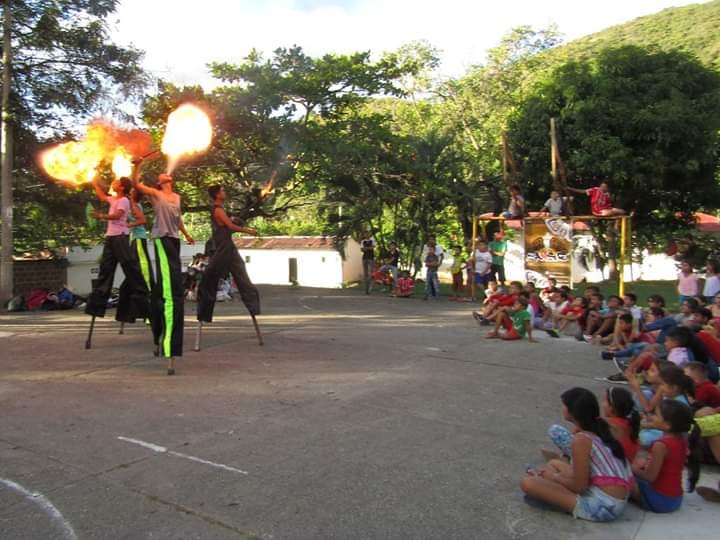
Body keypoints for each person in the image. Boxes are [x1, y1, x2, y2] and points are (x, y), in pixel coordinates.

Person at [521, 388, 632, 522]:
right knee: (553, 464)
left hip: (605, 506)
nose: (562, 408)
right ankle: (555, 492)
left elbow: (580, 487)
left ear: (572, 412)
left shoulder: (581, 440)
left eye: (564, 405)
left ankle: (562, 500)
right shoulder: (599, 429)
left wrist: (554, 477)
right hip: (615, 498)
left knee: (528, 483)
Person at [133, 160, 195, 375]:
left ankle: (158, 333)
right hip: (161, 239)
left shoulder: (177, 197)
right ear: (160, 182)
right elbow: (136, 183)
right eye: (161, 175)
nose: (164, 174)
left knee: (168, 287)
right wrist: (137, 166)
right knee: (171, 292)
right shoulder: (155, 194)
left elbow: (178, 219)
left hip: (174, 240)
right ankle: (168, 345)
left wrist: (186, 234)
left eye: (165, 173)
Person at [84, 174, 149, 326]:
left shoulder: (124, 201)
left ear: (122, 187)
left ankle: (144, 302)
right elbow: (101, 195)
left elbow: (117, 216)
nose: (113, 183)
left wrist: (100, 216)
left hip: (120, 238)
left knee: (131, 269)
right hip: (110, 239)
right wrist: (94, 181)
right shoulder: (114, 199)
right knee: (105, 271)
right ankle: (96, 307)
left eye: (116, 182)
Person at [197, 184, 260, 329]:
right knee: (209, 277)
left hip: (227, 247)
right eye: (222, 190)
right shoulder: (218, 210)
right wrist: (248, 231)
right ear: (217, 194)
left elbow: (228, 226)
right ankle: (204, 312)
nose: (225, 192)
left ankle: (253, 305)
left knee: (241, 275)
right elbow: (230, 227)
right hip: (223, 248)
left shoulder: (220, 210)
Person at [631, 400, 701, 513]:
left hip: (660, 501)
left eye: (656, 415)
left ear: (667, 425)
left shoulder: (661, 445)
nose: (652, 417)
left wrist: (630, 467)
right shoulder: (682, 439)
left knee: (623, 477)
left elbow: (650, 477)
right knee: (639, 462)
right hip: (675, 499)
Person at [128, 188, 154, 307]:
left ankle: (148, 291)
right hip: (134, 239)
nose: (129, 192)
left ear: (134, 195)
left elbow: (142, 221)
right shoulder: (131, 205)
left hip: (139, 238)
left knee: (143, 266)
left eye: (131, 192)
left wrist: (128, 225)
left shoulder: (135, 206)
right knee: (134, 266)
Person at [603, 387, 640, 464]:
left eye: (605, 401)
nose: (602, 403)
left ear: (612, 407)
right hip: (626, 471)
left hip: (612, 471)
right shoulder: (630, 424)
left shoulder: (607, 424)